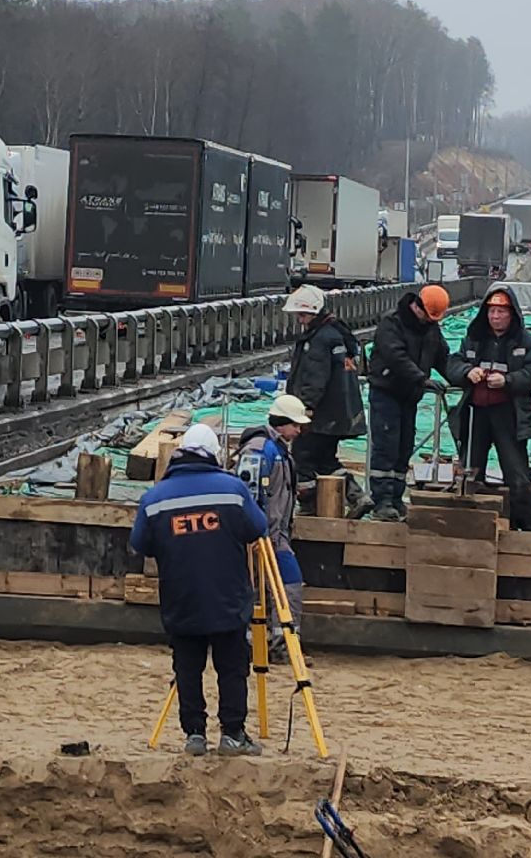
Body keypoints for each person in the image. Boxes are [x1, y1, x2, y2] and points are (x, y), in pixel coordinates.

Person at [131, 423, 269, 757]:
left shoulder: (154, 499)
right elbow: (258, 527)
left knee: (187, 668)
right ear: (214, 455)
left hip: (182, 599)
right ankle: (233, 734)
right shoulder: (233, 490)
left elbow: (140, 545)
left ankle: (194, 734)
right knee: (232, 667)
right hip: (227, 598)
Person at [445, 286, 531, 530]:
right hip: (476, 415)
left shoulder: (527, 342)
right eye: (492, 311)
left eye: (501, 311)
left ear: (511, 313)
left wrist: (508, 381)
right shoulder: (474, 338)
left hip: (508, 415)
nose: (495, 317)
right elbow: (453, 364)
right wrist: (468, 372)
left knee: (518, 476)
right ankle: (469, 526)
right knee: (470, 472)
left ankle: (525, 529)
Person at [365, 284, 451, 521]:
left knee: (404, 447)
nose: (429, 321)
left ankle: (395, 499)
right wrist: (422, 379)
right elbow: (396, 357)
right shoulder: (391, 324)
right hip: (386, 392)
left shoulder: (430, 328)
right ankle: (381, 500)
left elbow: (442, 357)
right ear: (417, 306)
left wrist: (464, 376)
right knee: (386, 446)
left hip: (408, 396)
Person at [235, 393, 312, 658]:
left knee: (280, 589)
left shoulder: (276, 450)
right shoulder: (260, 449)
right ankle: (273, 646)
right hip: (264, 536)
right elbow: (250, 493)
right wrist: (257, 532)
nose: (299, 430)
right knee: (277, 589)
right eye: (295, 425)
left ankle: (278, 645)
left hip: (275, 534)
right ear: (281, 422)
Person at [283, 284, 366, 511]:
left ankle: (309, 507)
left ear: (314, 311)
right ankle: (356, 495)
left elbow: (314, 379)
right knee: (326, 460)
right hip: (339, 415)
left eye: (302, 314)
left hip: (321, 415)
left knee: (302, 457)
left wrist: (303, 411)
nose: (300, 320)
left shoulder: (319, 340)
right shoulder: (337, 335)